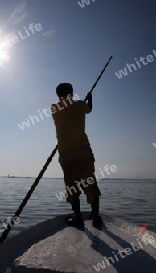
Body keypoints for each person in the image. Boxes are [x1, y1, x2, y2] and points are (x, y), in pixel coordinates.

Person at [51, 83, 103, 228]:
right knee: (90, 183)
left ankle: (79, 219)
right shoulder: (81, 105)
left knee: (72, 187)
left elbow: (65, 118)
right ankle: (96, 218)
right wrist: (89, 99)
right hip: (83, 150)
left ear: (58, 95)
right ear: (72, 93)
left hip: (66, 153)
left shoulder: (54, 108)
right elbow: (89, 109)